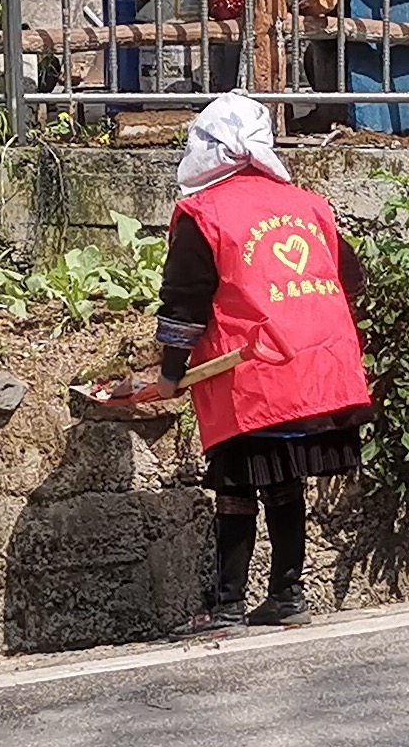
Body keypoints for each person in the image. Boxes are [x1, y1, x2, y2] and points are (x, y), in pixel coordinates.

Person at [155, 93, 370, 631]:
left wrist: (169, 371)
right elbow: (353, 281)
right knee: (284, 481)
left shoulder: (202, 215)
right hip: (318, 373)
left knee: (234, 487)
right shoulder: (310, 205)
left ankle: (227, 604)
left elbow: (185, 302)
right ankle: (288, 594)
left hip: (249, 372)